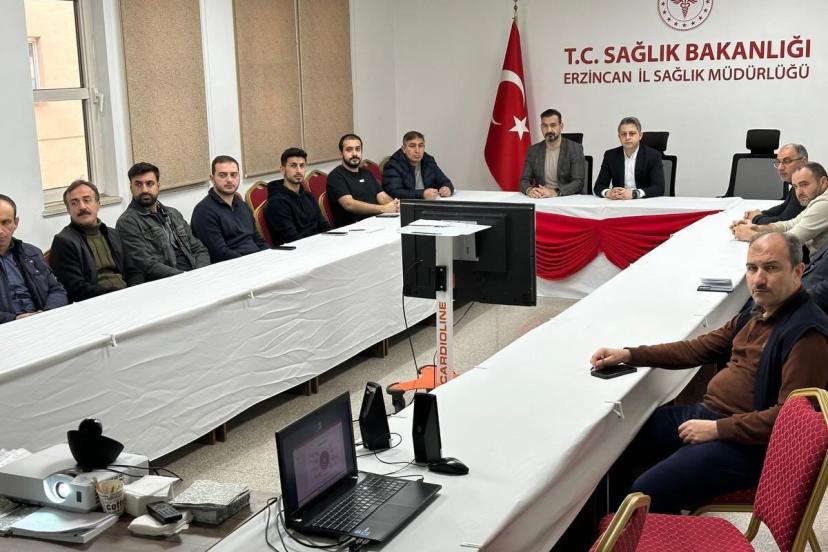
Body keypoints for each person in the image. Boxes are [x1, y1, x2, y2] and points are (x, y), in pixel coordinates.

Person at [590, 231, 828, 513]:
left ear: (798, 271)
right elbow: (698, 349)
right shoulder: (759, 311)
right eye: (752, 268)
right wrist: (630, 354)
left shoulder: (807, 334)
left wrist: (717, 430)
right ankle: (615, 527)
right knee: (616, 442)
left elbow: (792, 421)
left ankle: (649, 528)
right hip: (710, 415)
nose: (758, 279)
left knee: (647, 491)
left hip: (749, 445)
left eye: (771, 268)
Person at [50, 180, 142, 302]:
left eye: (87, 200)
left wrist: (134, 290)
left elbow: (133, 271)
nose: (82, 207)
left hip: (127, 296)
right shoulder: (63, 241)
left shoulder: (113, 234)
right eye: (74, 203)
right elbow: (75, 289)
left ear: (98, 204)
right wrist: (118, 295)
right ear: (68, 210)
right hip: (95, 303)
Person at [116, 162, 210, 281]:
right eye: (138, 184)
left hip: (195, 276)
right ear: (131, 188)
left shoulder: (173, 214)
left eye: (149, 184)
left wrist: (200, 272)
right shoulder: (127, 222)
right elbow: (147, 265)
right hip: (166, 282)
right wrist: (185, 277)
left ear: (158, 186)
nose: (144, 190)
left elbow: (199, 249)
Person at [733, 162, 828, 253]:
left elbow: (790, 242)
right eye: (795, 187)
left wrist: (751, 235)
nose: (799, 192)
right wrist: (758, 228)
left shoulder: (824, 203)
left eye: (804, 185)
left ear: (823, 182)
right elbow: (790, 224)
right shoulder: (817, 199)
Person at [0, 194, 67, 323]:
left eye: (5, 222)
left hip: (43, 320)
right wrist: (15, 319)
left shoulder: (32, 253)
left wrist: (47, 313)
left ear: (16, 223)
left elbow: (57, 290)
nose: (0, 231)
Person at [191, 155, 268, 262]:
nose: (229, 180)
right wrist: (253, 261)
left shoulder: (242, 205)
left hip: (256, 261)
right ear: (212, 179)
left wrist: (269, 256)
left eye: (234, 175)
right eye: (222, 175)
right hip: (234, 266)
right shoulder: (203, 211)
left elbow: (258, 240)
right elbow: (219, 253)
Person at [327, 134, 399, 226]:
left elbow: (381, 196)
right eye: (349, 150)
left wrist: (394, 204)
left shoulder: (366, 173)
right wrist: (383, 208)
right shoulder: (335, 176)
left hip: (377, 222)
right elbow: (349, 204)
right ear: (341, 153)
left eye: (358, 149)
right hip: (353, 227)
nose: (354, 154)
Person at [264, 147, 329, 244]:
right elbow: (292, 238)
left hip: (320, 245)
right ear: (283, 170)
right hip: (298, 249)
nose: (299, 170)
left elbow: (324, 226)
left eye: (302, 166)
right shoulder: (276, 202)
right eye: (293, 166)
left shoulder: (308, 196)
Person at [593, 116, 664, 199]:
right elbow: (598, 186)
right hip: (619, 202)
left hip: (644, 202)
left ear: (640, 135)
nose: (627, 137)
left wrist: (634, 194)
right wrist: (608, 193)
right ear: (619, 137)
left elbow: (659, 188)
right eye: (623, 134)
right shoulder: (610, 155)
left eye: (632, 133)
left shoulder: (653, 155)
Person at [519, 109, 586, 198]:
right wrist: (529, 190)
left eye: (553, 125)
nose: (549, 130)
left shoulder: (575, 148)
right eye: (545, 126)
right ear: (541, 127)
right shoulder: (533, 150)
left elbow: (578, 182)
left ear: (561, 126)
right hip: (542, 198)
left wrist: (555, 192)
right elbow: (524, 180)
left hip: (566, 197)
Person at [742, 143, 807, 224]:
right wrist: (760, 214)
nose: (780, 168)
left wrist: (755, 218)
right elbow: (783, 207)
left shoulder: (805, 189)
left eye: (787, 161)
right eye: (778, 162)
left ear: (803, 162)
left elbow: (783, 222)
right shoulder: (798, 184)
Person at [382, 131, 454, 200]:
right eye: (412, 146)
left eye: (420, 146)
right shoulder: (393, 165)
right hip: (404, 206)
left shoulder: (428, 161)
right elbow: (395, 192)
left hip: (429, 204)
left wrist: (447, 188)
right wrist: (422, 194)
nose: (417, 151)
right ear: (404, 149)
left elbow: (446, 182)